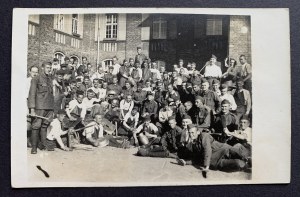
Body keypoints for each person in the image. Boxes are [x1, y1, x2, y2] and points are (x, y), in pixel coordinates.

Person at [176, 124, 248, 174]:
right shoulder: (192, 145)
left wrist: (206, 166)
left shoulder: (204, 136)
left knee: (240, 153)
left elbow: (207, 150)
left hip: (224, 150)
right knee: (239, 164)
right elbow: (197, 159)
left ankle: (249, 159)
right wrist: (186, 162)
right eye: (189, 133)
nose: (191, 135)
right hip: (216, 162)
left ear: (198, 132)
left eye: (193, 132)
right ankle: (246, 163)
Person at [28, 61, 54, 154]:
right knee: (36, 126)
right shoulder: (36, 79)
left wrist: (52, 109)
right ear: (42, 68)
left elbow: (51, 95)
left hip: (49, 107)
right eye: (47, 67)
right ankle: (34, 147)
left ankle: (43, 145)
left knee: (44, 126)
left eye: (50, 68)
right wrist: (32, 108)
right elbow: (32, 94)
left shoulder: (50, 79)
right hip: (39, 107)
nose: (49, 69)